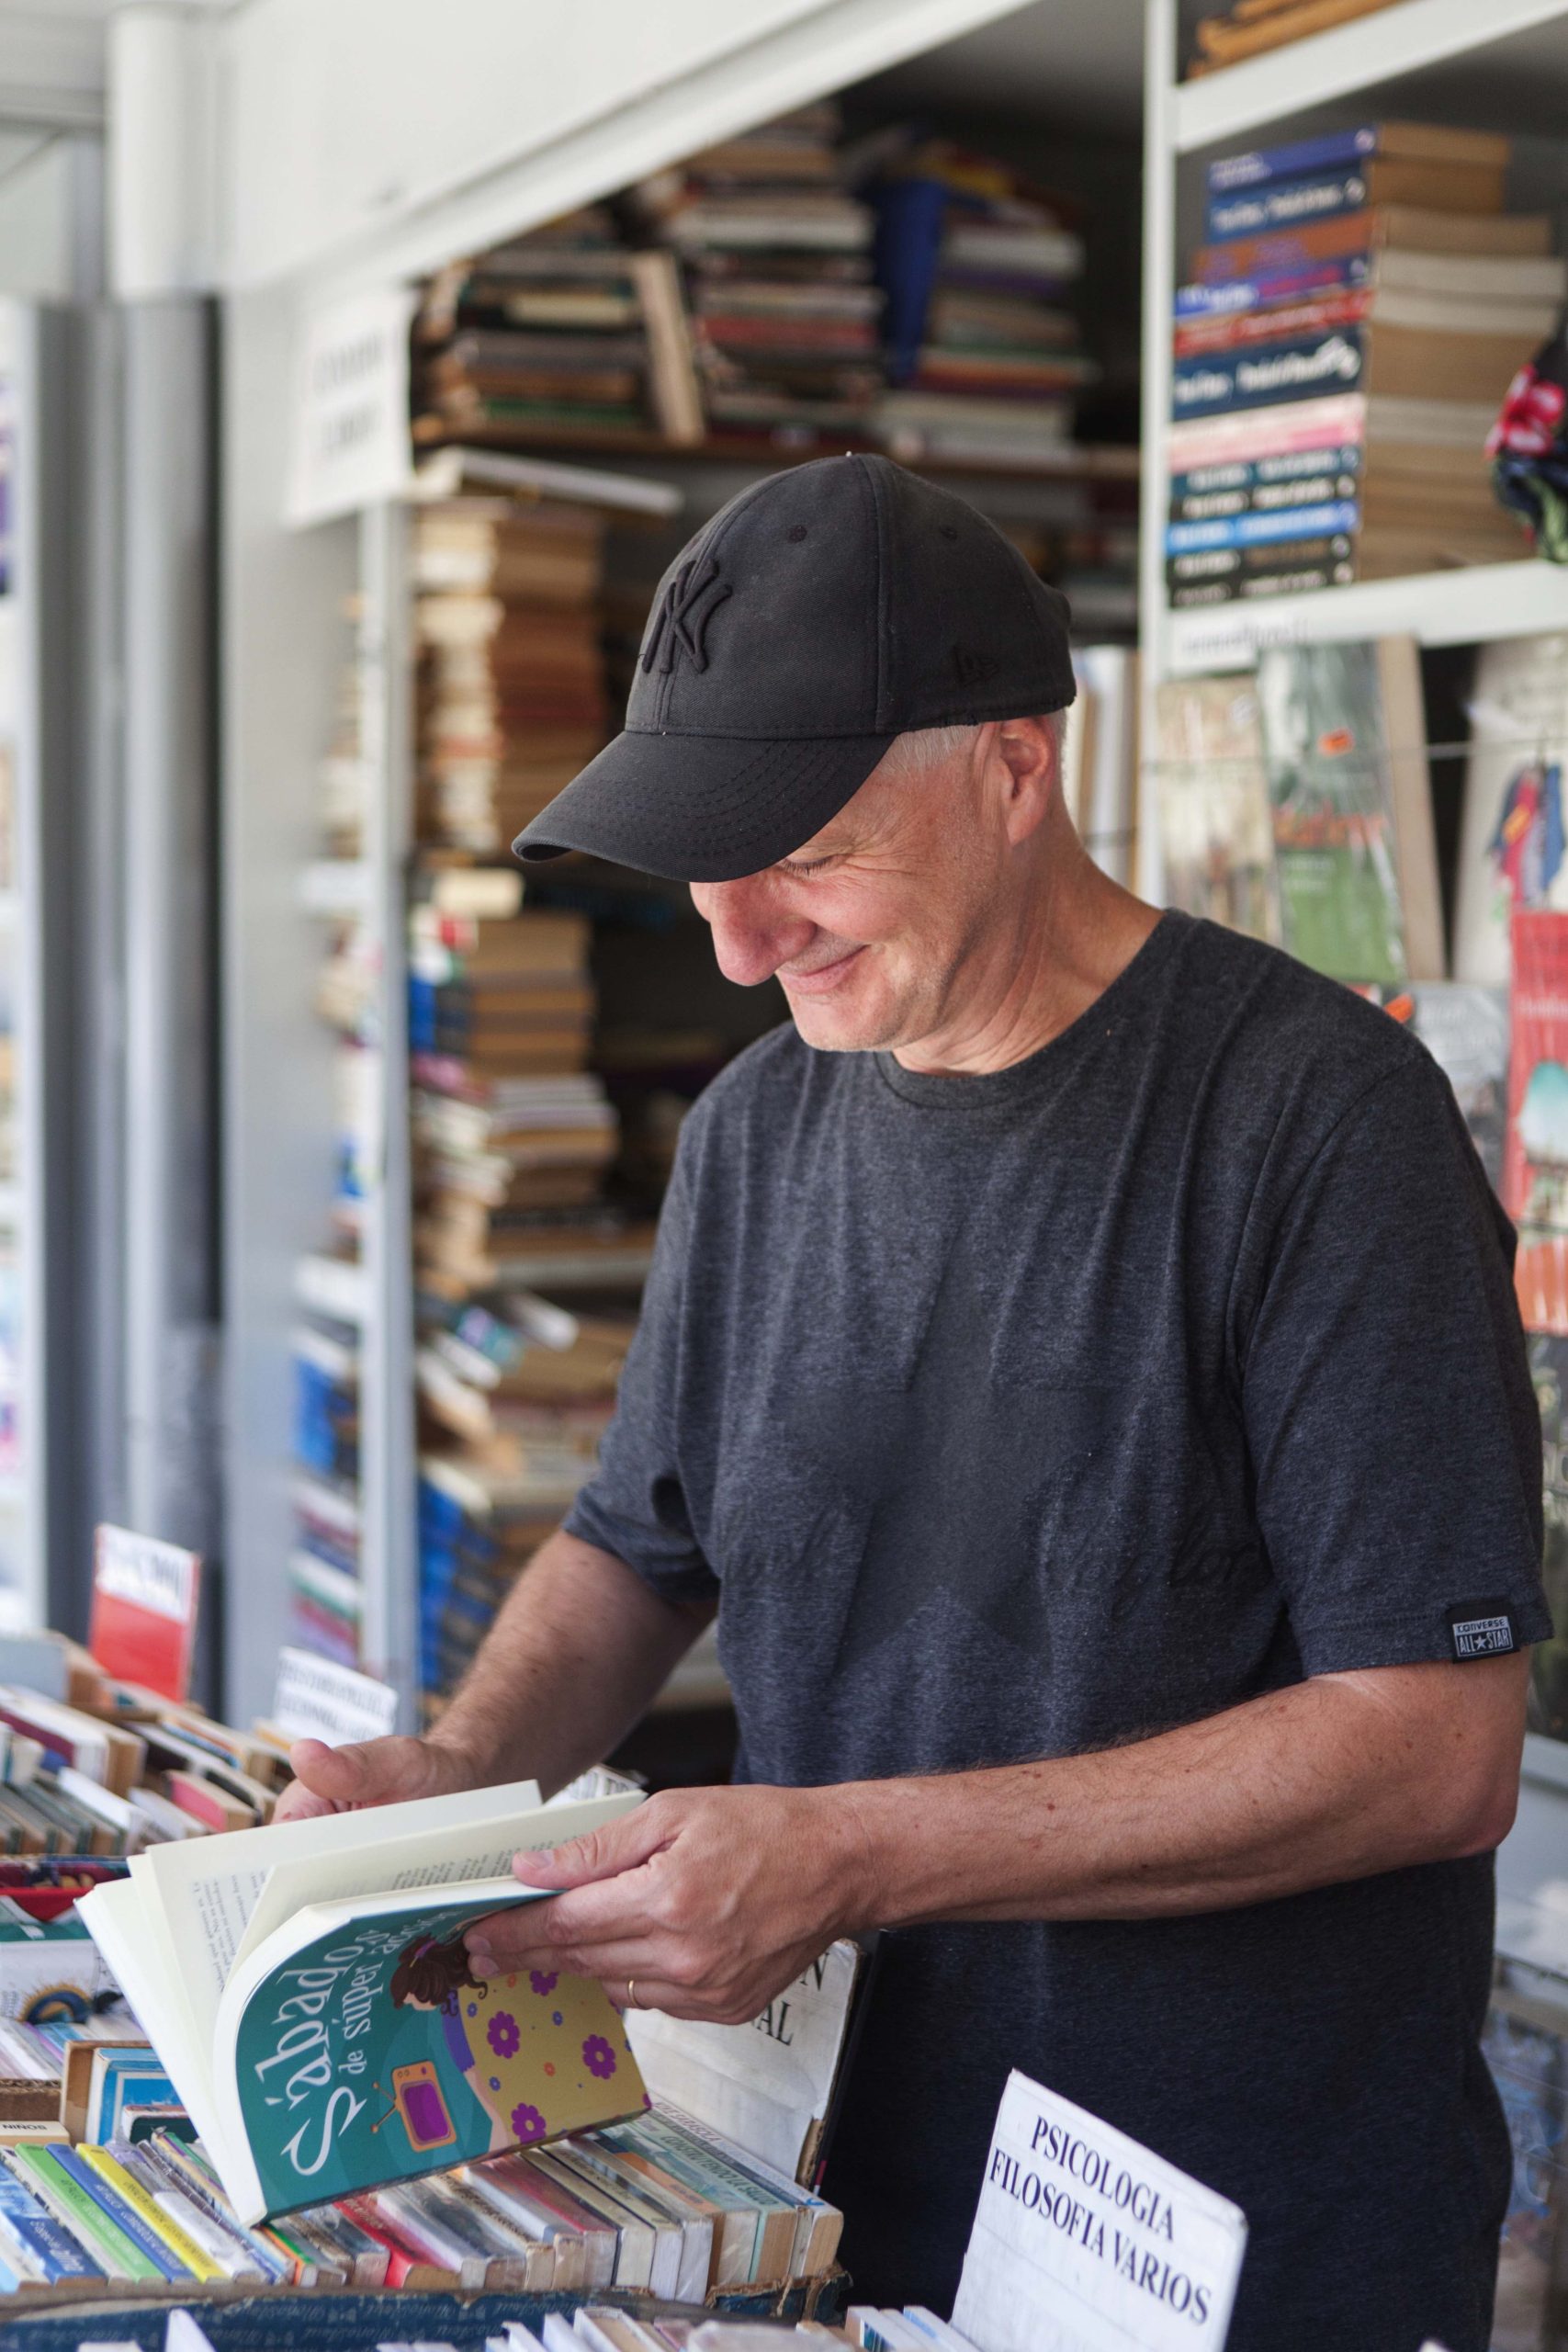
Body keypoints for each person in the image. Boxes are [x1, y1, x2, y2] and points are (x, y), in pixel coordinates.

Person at [277, 456, 1549, 2351]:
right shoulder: (751, 1131)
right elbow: (640, 1545)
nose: (732, 938)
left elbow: (1430, 1743)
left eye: (795, 845)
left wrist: (846, 1847)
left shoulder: (1311, 1125)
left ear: (1017, 766)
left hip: (1220, 2239)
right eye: (703, 860)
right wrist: (456, 1775)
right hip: (835, 2187)